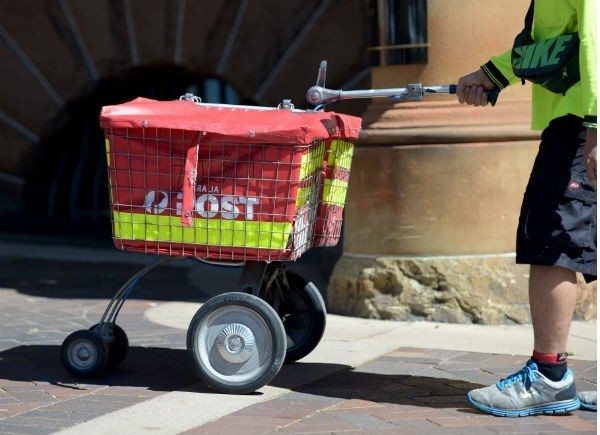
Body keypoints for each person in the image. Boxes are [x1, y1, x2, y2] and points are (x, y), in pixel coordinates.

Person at [455, 0, 597, 417]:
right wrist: (493, 74)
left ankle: (548, 377)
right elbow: (554, 42)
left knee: (552, 241)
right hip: (578, 120)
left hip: (580, 123)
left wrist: (595, 126)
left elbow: (594, 40)